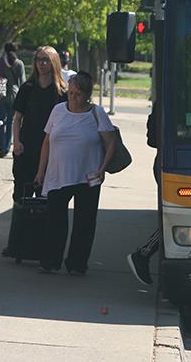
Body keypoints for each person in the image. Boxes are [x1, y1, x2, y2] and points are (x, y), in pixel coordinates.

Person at [34, 71, 116, 274]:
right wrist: (40, 171)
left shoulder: (96, 113)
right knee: (54, 221)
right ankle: (50, 261)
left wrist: (102, 169)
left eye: (77, 94)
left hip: (88, 176)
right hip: (57, 174)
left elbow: (111, 143)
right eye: (70, 93)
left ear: (87, 95)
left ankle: (77, 264)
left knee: (84, 222)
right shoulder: (58, 110)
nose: (72, 97)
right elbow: (46, 142)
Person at [2, 46, 67, 257]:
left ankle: (39, 247)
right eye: (39, 59)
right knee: (21, 196)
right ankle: (15, 245)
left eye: (46, 60)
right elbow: (17, 118)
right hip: (26, 149)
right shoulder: (28, 87)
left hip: (50, 152)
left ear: (54, 62)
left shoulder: (61, 92)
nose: (41, 63)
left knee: (44, 198)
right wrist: (16, 142)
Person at [127, 102, 159, 285]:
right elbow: (153, 138)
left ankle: (144, 254)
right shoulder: (177, 94)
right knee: (182, 217)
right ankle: (143, 254)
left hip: (166, 161)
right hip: (170, 162)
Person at [0, 43, 26, 158]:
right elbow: (22, 82)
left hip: (1, 95)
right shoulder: (19, 63)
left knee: (1, 122)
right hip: (14, 95)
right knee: (12, 122)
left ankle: (1, 148)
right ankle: (7, 147)